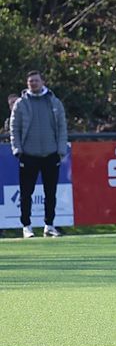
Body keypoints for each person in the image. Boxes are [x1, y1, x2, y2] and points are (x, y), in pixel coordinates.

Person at [10, 70, 68, 238]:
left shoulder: (54, 102)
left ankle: (49, 225)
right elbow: (14, 129)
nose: (33, 84)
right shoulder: (21, 104)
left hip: (51, 154)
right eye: (30, 81)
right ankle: (26, 226)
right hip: (28, 155)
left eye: (36, 80)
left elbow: (62, 127)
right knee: (26, 193)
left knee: (50, 192)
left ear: (43, 82)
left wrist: (61, 150)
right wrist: (17, 149)